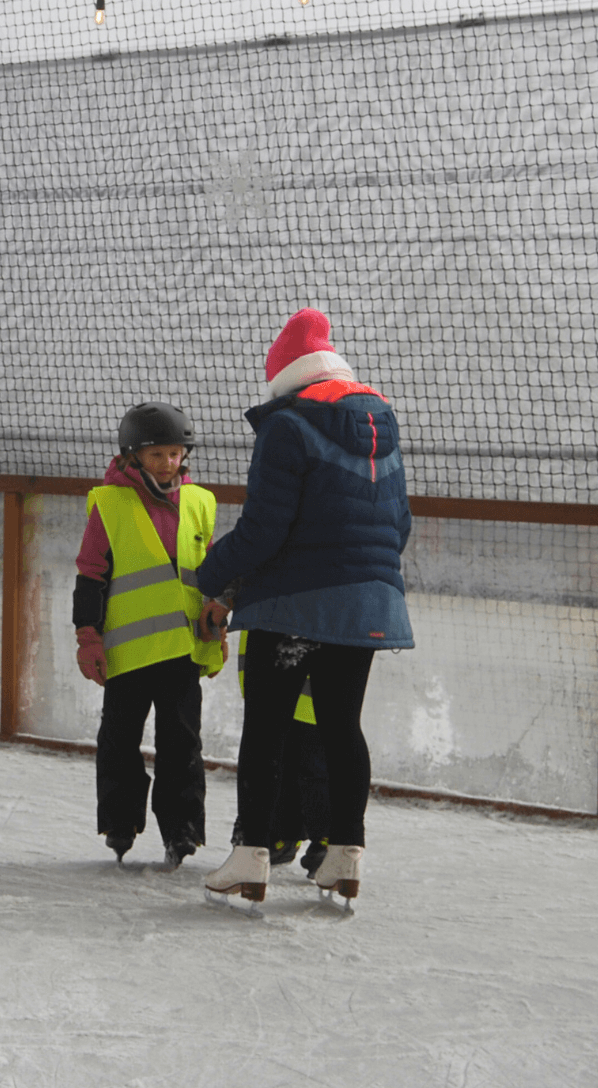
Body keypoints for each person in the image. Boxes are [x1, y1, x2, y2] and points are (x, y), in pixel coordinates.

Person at [197, 309, 412, 907]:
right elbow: (400, 524)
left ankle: (251, 857)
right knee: (343, 726)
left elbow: (264, 531)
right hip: (368, 605)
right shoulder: (381, 425)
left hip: (292, 606)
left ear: (284, 378)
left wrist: (207, 576)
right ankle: (344, 857)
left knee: (267, 729)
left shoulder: (287, 428)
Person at [74, 402, 226, 868]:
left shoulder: (200, 503)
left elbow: (211, 573)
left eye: (175, 453)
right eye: (156, 454)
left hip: (182, 650)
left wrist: (217, 625)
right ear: (133, 456)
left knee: (182, 744)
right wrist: (88, 637)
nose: (167, 463)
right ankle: (120, 823)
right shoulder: (110, 503)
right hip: (128, 652)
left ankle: (181, 829)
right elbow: (90, 575)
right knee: (118, 741)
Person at [229, 631, 331, 880]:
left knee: (309, 763)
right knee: (286, 762)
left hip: (299, 680)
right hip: (277, 677)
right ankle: (290, 836)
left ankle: (324, 841)